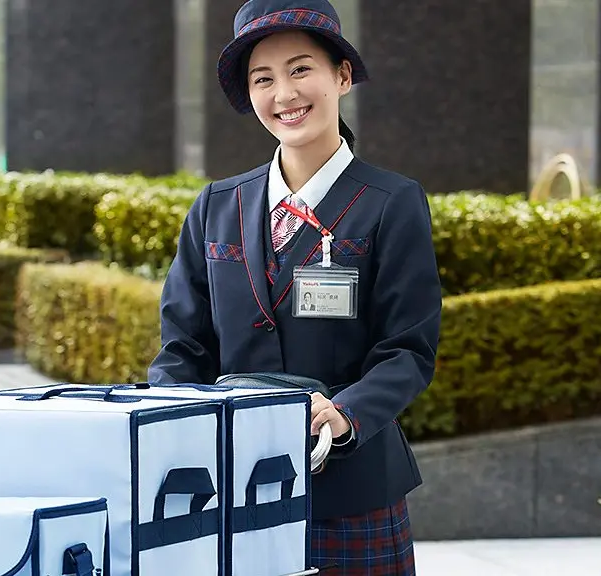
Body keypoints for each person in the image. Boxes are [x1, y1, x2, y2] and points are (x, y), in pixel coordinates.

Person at [147, 0, 443, 574]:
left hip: (351, 493)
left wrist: (345, 412)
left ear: (342, 76)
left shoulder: (391, 203)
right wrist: (174, 428)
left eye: (301, 69)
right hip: (230, 488)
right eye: (264, 79)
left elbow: (408, 349)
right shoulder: (216, 206)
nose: (284, 93)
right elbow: (183, 346)